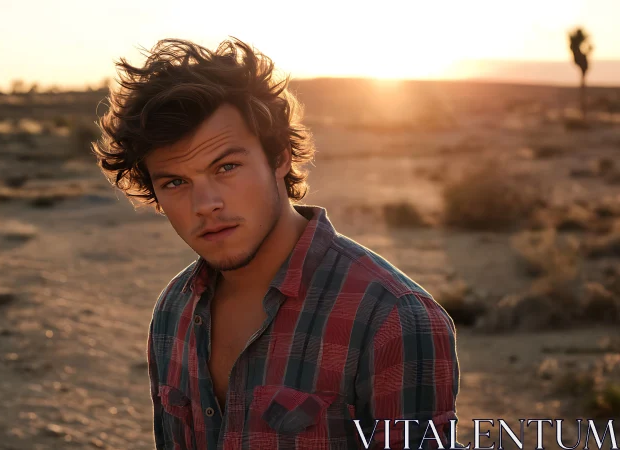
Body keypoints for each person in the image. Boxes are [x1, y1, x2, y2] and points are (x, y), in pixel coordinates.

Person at [93, 37, 460, 450]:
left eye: (227, 167)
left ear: (279, 157)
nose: (206, 205)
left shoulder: (392, 320)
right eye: (176, 182)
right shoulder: (174, 309)